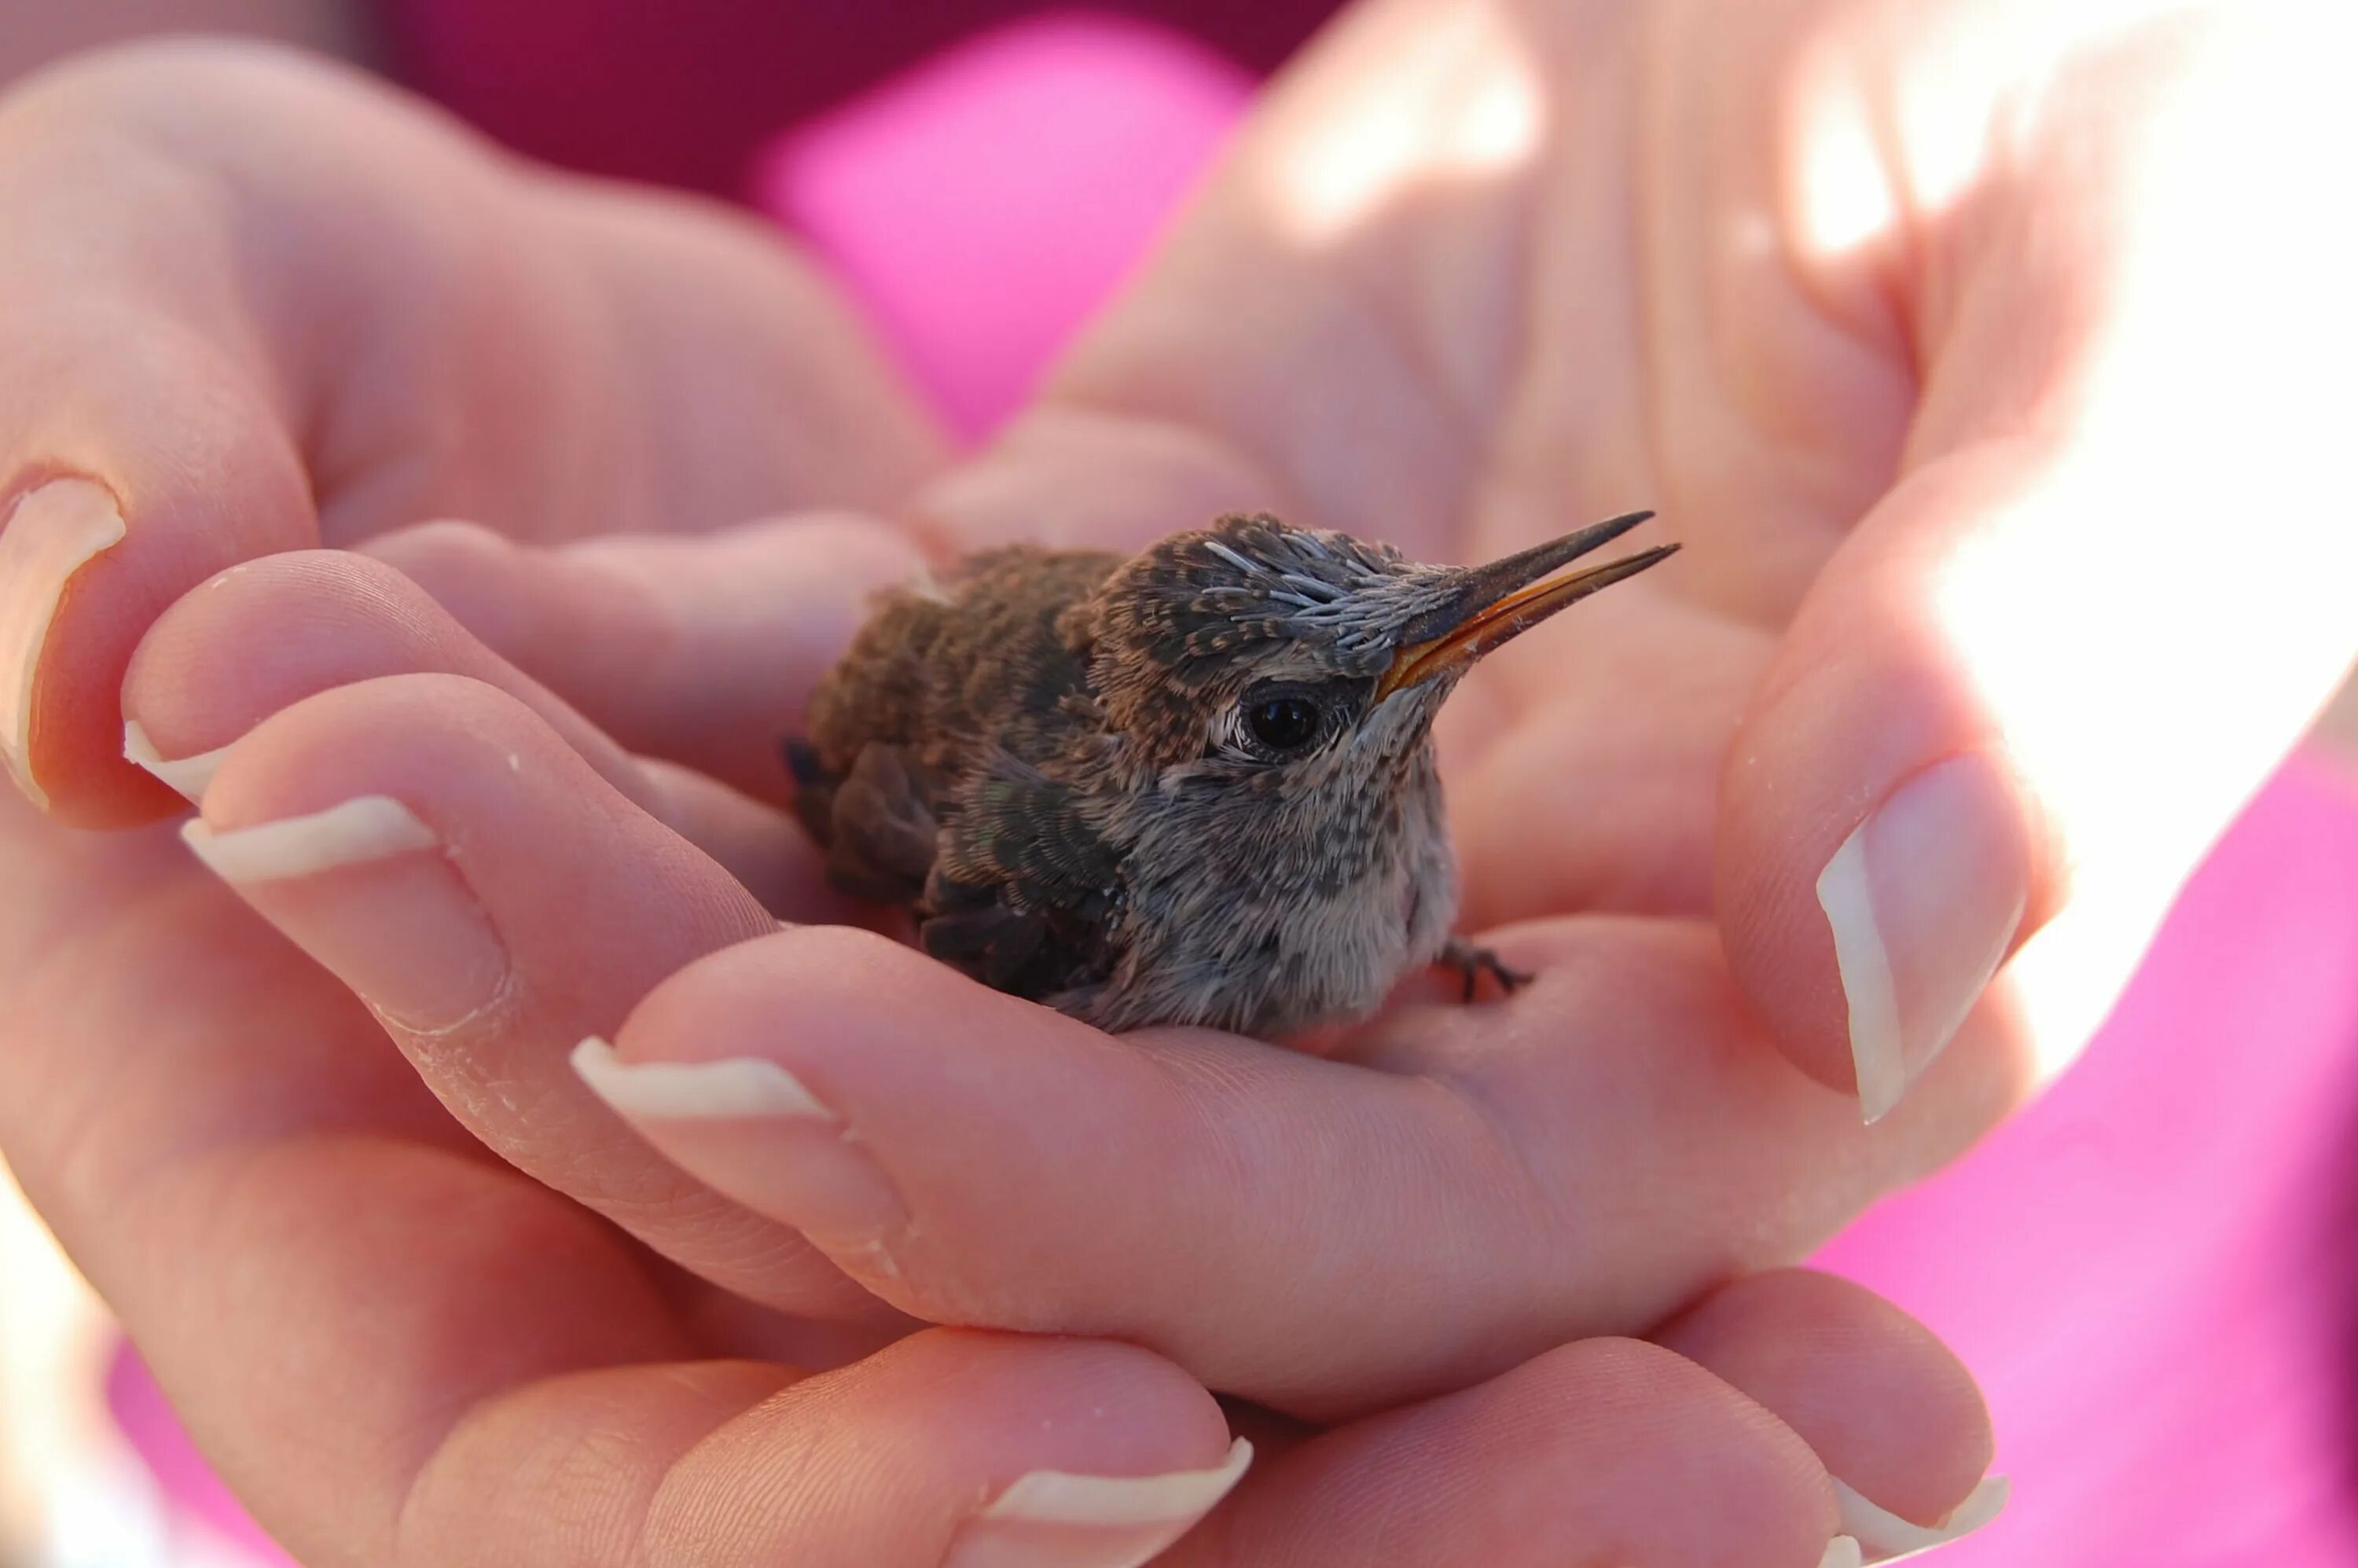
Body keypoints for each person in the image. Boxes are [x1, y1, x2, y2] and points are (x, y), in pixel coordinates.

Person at [0, 0, 2339, 1561]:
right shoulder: (1059, 877)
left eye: (1411, 621)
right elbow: (862, 795)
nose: (1439, 657)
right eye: (1323, 711)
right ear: (1191, 779)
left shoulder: (1375, 808)